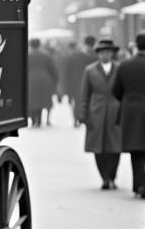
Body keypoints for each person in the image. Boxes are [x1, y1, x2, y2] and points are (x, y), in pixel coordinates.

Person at [77, 36, 122, 189]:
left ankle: (112, 176)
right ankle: (104, 177)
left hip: (115, 112)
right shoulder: (89, 70)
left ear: (112, 53)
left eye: (108, 52)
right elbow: (84, 94)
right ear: (98, 54)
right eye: (102, 52)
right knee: (98, 148)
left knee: (115, 147)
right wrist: (82, 114)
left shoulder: (120, 68)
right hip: (96, 112)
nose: (105, 55)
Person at [113, 30, 145, 198]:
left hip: (131, 111)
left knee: (136, 151)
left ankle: (138, 184)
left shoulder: (124, 65)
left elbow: (116, 91)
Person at [60, 35, 95, 127]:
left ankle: (76, 118)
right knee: (84, 101)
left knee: (75, 102)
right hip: (87, 83)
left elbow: (66, 73)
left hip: (73, 83)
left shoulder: (71, 57)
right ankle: (81, 118)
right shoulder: (93, 55)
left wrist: (64, 87)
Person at [27, 37, 58, 127]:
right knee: (41, 100)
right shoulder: (46, 56)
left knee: (32, 100)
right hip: (45, 80)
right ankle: (40, 120)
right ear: (39, 45)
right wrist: (55, 81)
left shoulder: (26, 55)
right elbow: (53, 71)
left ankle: (33, 119)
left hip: (30, 80)